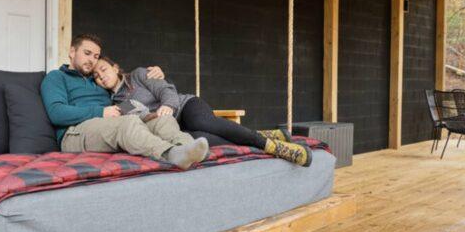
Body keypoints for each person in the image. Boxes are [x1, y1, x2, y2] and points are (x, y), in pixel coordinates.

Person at [92, 57, 312, 167]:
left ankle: (274, 147)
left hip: (184, 106)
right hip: (174, 127)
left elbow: (166, 90)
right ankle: (258, 136)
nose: (101, 75)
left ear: (115, 67)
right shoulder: (116, 104)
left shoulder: (139, 75)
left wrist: (168, 106)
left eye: (103, 69)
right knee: (202, 140)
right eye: (96, 76)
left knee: (204, 123)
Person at [40, 34, 209, 170]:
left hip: (108, 126)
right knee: (127, 123)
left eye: (96, 56)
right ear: (72, 52)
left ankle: (188, 149)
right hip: (75, 133)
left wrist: (156, 77)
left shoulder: (98, 81)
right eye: (87, 53)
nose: (92, 59)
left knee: (162, 120)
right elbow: (56, 113)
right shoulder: (56, 77)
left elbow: (124, 96)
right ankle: (169, 154)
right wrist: (101, 112)